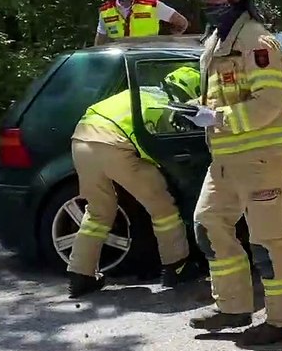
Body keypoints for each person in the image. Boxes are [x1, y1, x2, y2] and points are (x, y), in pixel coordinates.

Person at [181, 0, 282, 345]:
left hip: (260, 160)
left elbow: (269, 102)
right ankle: (233, 307)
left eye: (215, 1)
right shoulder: (218, 41)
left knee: (268, 240)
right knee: (208, 224)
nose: (208, 8)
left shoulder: (256, 42)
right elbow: (219, 95)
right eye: (205, 2)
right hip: (226, 159)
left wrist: (217, 118)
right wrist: (195, 111)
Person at [65, 66, 201, 297]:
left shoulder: (143, 92)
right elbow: (156, 147)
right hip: (114, 147)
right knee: (162, 207)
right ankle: (176, 267)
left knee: (98, 212)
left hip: (80, 141)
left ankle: (80, 275)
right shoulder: (162, 106)